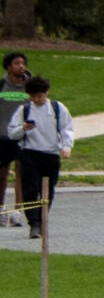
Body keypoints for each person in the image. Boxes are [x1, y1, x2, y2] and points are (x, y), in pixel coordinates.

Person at [5, 73, 70, 240]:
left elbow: (66, 128)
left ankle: (42, 219)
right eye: (33, 96)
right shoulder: (24, 110)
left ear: (46, 92)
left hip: (50, 154)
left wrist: (66, 146)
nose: (37, 99)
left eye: (39, 96)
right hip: (30, 154)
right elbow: (12, 133)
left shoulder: (57, 108)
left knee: (47, 191)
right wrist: (23, 129)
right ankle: (33, 223)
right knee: (30, 191)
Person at [0, 52, 26, 229]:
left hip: (23, 138)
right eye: (17, 63)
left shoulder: (30, 87)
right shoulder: (2, 86)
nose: (21, 66)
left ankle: (17, 213)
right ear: (9, 67)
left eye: (23, 63)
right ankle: (1, 211)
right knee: (1, 176)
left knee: (21, 175)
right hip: (2, 137)